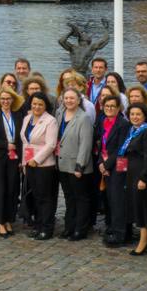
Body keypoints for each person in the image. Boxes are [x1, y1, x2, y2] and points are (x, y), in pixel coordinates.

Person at [56, 89, 94, 242]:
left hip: (77, 165)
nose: (69, 101)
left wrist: (80, 165)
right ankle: (69, 227)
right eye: (66, 98)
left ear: (79, 100)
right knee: (68, 197)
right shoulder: (59, 114)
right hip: (62, 163)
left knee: (81, 198)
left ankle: (80, 229)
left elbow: (86, 144)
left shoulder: (83, 117)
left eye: (72, 98)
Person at [21, 92, 60, 241]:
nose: (36, 106)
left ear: (45, 106)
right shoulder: (26, 119)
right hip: (29, 163)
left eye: (40, 104)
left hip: (44, 165)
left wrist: (36, 160)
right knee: (36, 197)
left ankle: (47, 228)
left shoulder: (51, 121)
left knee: (46, 198)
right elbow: (25, 143)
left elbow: (51, 144)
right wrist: (24, 162)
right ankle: (38, 225)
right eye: (34, 103)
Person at [0, 86, 24, 238]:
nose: (5, 101)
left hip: (14, 158)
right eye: (2, 99)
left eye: (8, 99)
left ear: (12, 100)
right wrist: (5, 145)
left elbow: (22, 139)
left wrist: (22, 158)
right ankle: (0, 221)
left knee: (12, 189)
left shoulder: (18, 115)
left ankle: (8, 219)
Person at [121, 102, 147, 255]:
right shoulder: (132, 131)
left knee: (143, 207)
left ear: (145, 116)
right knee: (136, 205)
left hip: (141, 175)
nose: (135, 117)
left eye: (138, 114)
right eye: (132, 114)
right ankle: (145, 237)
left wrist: (144, 178)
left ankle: (145, 240)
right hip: (131, 173)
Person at [96, 95, 130, 246]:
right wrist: (100, 163)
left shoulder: (123, 124)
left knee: (118, 201)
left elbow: (121, 148)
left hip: (117, 166)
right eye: (107, 106)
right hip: (105, 164)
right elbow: (100, 145)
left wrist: (106, 164)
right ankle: (112, 228)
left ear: (119, 108)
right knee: (109, 199)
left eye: (113, 106)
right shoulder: (103, 122)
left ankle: (120, 234)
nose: (109, 109)